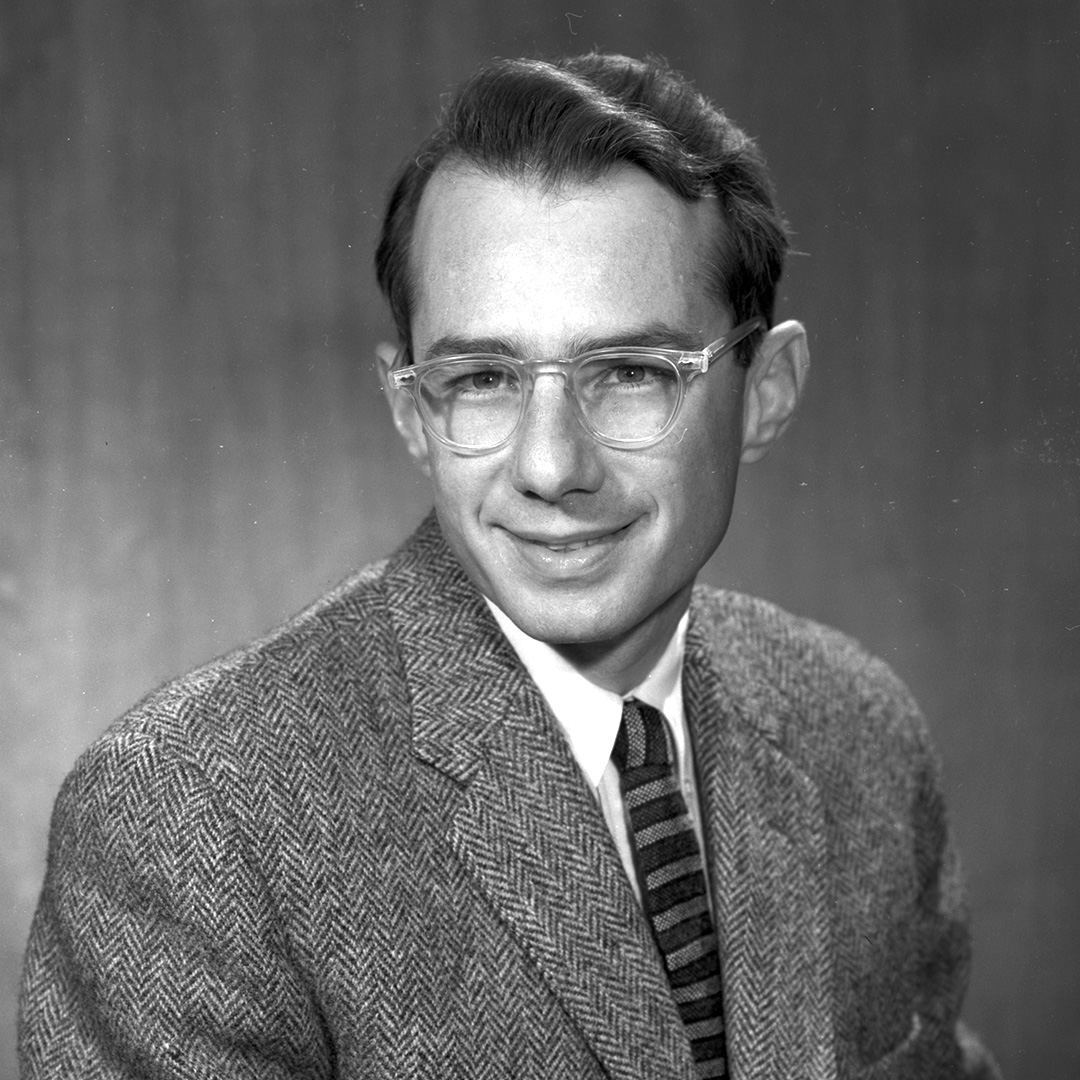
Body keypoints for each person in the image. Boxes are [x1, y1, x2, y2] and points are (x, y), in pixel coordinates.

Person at [19, 53, 999, 1079]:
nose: (549, 466)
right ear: (412, 411)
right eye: (482, 378)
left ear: (767, 391)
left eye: (630, 373)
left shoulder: (860, 731)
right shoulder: (188, 815)